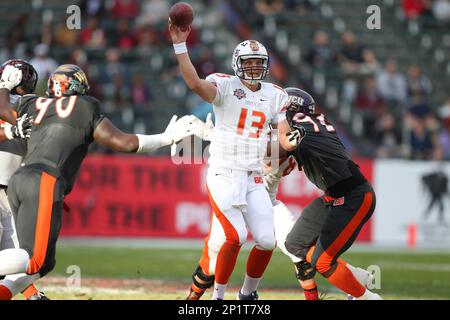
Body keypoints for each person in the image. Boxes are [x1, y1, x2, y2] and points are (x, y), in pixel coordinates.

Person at [0, 63, 199, 300]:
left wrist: (4, 87)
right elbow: (125, 143)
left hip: (20, 180)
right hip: (43, 180)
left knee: (45, 263)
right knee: (34, 258)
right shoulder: (85, 106)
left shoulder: (33, 104)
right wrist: (165, 138)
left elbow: (3, 109)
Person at [168, 23, 300, 300]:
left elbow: (280, 140)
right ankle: (218, 296)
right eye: (249, 61)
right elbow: (194, 83)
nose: (253, 67)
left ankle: (247, 294)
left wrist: (291, 149)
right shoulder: (224, 84)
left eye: (258, 62)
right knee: (235, 237)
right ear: (236, 63)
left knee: (267, 240)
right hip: (224, 173)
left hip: (253, 176)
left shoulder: (275, 94)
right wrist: (180, 46)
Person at [280, 87, 382, 300]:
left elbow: (274, 153)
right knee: (295, 244)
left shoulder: (301, 128)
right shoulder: (311, 123)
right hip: (334, 195)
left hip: (353, 196)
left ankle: (368, 298)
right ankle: (353, 275)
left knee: (323, 262)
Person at [0, 59, 49, 300]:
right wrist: (10, 131)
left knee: (24, 255)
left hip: (14, 189)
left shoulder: (29, 106)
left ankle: (31, 294)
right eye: (25, 75)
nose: (28, 81)